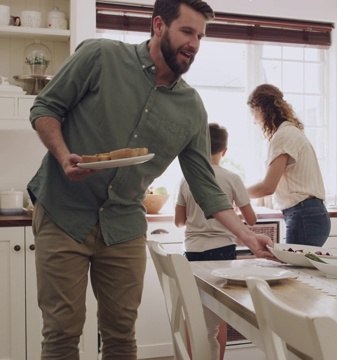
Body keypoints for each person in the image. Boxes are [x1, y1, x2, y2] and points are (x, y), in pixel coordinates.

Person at [26, 1, 273, 359]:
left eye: (200, 36)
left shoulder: (191, 107)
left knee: (122, 336)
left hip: (123, 224)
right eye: (187, 32)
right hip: (64, 211)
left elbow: (205, 184)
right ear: (158, 25)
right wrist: (64, 156)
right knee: (62, 333)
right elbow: (45, 108)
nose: (195, 44)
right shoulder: (101, 56)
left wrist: (249, 236)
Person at [174, 123, 257, 360]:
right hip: (222, 252)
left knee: (196, 315)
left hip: (192, 253)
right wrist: (229, 212)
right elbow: (251, 219)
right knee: (217, 317)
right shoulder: (231, 178)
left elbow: (179, 221)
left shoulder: (185, 178)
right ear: (225, 150)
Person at [246, 84, 331, 246]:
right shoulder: (290, 132)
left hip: (304, 215)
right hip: (309, 214)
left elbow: (268, 187)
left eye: (253, 113)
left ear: (260, 109)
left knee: (296, 270)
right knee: (301, 269)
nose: (253, 120)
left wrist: (236, 193)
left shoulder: (283, 136)